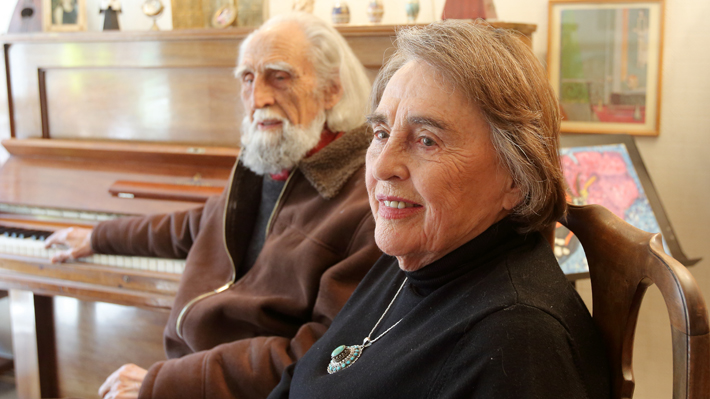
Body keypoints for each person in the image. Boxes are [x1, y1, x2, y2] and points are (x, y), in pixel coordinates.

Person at [44, 12, 382, 399]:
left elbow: (319, 355)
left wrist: (163, 384)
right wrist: (99, 236)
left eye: (280, 76)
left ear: (330, 90)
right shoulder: (275, 160)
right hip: (193, 369)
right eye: (248, 78)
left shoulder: (366, 206)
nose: (258, 100)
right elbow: (200, 225)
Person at [266, 21, 611, 399]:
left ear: (516, 177)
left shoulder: (516, 343)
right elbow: (306, 378)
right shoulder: (417, 253)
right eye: (381, 134)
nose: (382, 166)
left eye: (426, 140)